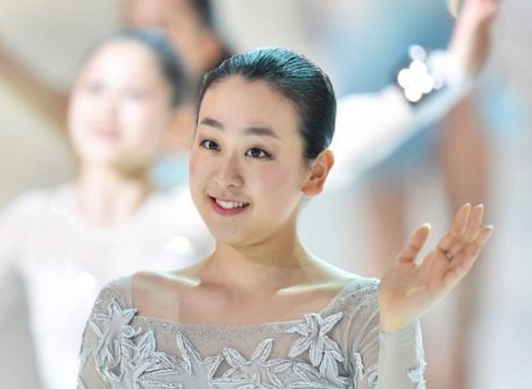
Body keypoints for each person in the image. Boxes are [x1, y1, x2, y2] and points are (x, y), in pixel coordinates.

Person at [0, 0, 502, 388]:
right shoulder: (39, 223)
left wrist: (449, 74)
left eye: (156, 34)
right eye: (96, 85)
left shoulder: (193, 208)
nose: (108, 103)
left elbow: (343, 136)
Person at [77, 46, 494, 389]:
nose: (226, 175)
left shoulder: (361, 315)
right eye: (210, 143)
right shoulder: (126, 310)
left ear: (316, 173)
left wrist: (397, 327)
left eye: (257, 151)